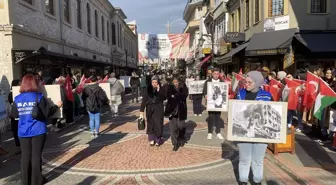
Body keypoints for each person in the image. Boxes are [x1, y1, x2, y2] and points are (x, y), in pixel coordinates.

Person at [10, 74, 63, 185]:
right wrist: (57, 106)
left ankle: (25, 181)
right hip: (38, 130)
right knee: (36, 156)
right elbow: (47, 113)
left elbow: (14, 114)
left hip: (23, 131)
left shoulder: (17, 98)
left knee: (25, 156)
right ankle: (36, 181)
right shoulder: (38, 96)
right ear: (34, 84)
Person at [235, 71, 272, 185]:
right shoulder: (240, 94)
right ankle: (243, 181)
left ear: (257, 82)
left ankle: (257, 181)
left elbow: (272, 114)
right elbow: (235, 112)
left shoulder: (267, 95)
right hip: (243, 132)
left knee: (258, 161)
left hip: (260, 134)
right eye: (245, 82)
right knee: (244, 159)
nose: (246, 84)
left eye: (249, 82)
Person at [140, 76, 166, 147]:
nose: (154, 83)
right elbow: (144, 100)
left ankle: (158, 140)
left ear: (158, 82)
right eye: (153, 82)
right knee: (150, 124)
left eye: (155, 82)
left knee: (158, 124)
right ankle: (151, 139)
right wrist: (141, 111)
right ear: (151, 82)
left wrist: (158, 90)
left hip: (158, 109)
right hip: (150, 109)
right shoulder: (147, 89)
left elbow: (164, 98)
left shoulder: (161, 89)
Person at [165, 77, 188, 151]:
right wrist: (173, 96)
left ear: (179, 82)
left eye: (176, 82)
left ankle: (181, 137)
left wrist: (175, 96)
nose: (175, 83)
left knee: (181, 126)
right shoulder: (169, 87)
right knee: (173, 128)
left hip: (181, 109)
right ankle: (175, 144)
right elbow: (167, 96)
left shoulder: (183, 86)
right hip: (172, 110)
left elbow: (185, 95)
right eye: (174, 82)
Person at [203, 67, 224, 140]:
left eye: (217, 74)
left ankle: (218, 132)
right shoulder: (207, 82)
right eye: (215, 74)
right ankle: (209, 132)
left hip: (219, 102)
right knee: (211, 117)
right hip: (211, 103)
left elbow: (224, 91)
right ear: (212, 74)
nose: (216, 75)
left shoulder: (222, 82)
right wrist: (205, 95)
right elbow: (204, 91)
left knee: (218, 117)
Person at [8, 79, 21, 148]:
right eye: (19, 84)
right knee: (16, 127)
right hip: (15, 113)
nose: (20, 85)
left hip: (20, 112)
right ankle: (17, 143)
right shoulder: (11, 94)